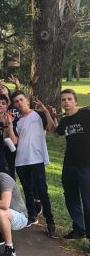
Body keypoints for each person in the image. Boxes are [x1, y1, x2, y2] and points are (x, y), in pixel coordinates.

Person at [11, 90, 57, 238]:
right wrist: (9, 125)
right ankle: (32, 215)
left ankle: (50, 223)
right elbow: (15, 140)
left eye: (21, 100)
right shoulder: (17, 120)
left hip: (36, 159)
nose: (19, 103)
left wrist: (46, 112)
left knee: (42, 191)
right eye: (16, 101)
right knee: (28, 190)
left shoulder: (39, 115)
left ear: (27, 100)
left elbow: (51, 129)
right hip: (21, 160)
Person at [53, 89, 90, 241]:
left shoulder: (86, 115)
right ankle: (79, 229)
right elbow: (56, 133)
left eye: (69, 99)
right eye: (63, 99)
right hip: (69, 165)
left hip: (86, 165)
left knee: (88, 202)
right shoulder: (64, 121)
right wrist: (51, 114)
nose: (66, 102)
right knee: (71, 198)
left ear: (76, 101)